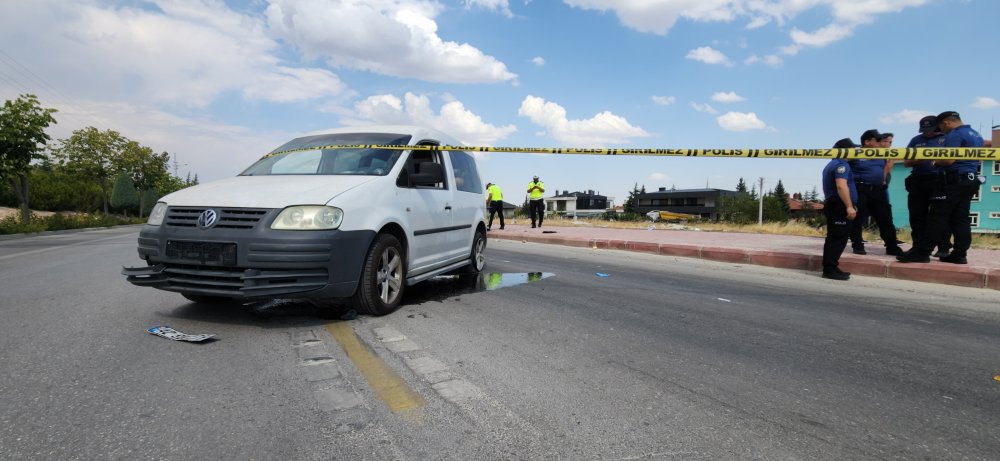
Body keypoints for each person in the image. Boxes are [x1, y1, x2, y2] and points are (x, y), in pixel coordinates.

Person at [898, 111, 984, 264]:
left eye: (941, 127)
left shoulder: (954, 134)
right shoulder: (975, 134)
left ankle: (923, 252)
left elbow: (948, 160)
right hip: (969, 179)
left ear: (946, 123)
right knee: (960, 218)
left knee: (937, 217)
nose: (941, 131)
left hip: (953, 179)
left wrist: (934, 162)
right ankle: (959, 254)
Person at [848, 129, 904, 256]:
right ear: (867, 142)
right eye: (877, 140)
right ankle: (857, 245)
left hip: (878, 190)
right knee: (857, 219)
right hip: (860, 190)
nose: (881, 143)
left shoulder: (883, 153)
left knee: (885, 219)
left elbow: (891, 163)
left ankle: (891, 246)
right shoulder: (854, 153)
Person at [903, 116, 951, 257]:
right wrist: (920, 158)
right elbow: (906, 162)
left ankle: (943, 247)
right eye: (924, 130)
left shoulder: (947, 138)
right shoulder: (916, 140)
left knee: (939, 216)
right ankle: (917, 246)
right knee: (917, 216)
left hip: (938, 180)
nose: (926, 133)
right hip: (918, 180)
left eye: (929, 129)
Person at [821, 138, 860, 280]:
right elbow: (841, 185)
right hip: (838, 205)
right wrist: (849, 206)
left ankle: (832, 266)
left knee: (836, 238)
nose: (854, 152)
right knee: (837, 238)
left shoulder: (832, 164)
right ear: (844, 150)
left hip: (835, 204)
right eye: (852, 149)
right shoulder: (841, 165)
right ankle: (829, 269)